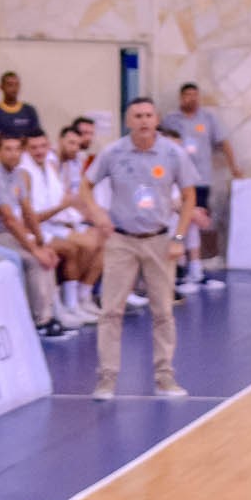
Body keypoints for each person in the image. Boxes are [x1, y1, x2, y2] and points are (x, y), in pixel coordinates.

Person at [81, 98, 203, 397]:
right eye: (137, 116)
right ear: (128, 120)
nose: (144, 121)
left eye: (149, 115)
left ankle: (165, 377)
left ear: (156, 118)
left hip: (160, 240)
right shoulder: (113, 153)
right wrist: (97, 214)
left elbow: (189, 197)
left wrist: (179, 237)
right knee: (111, 311)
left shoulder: (173, 154)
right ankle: (106, 378)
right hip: (121, 240)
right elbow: (85, 185)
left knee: (162, 311)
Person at [0, 131, 68, 336]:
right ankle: (39, 320)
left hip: (5, 233)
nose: (13, 154)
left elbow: (26, 209)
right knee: (33, 259)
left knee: (44, 253)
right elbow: (9, 219)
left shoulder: (16, 173)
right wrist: (34, 249)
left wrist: (40, 240)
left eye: (17, 149)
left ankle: (51, 312)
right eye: (8, 149)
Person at [163, 82, 241, 284]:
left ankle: (198, 264)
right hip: (176, 180)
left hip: (200, 178)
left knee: (199, 220)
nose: (192, 99)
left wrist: (234, 167)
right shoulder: (171, 120)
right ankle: (180, 266)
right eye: (188, 95)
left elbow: (223, 142)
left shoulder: (207, 119)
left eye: (195, 95)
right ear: (181, 98)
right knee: (183, 219)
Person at [20, 130, 101, 323]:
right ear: (26, 149)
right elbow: (31, 218)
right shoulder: (24, 174)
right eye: (34, 148)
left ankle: (83, 298)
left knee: (101, 241)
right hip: (36, 229)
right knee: (75, 248)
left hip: (54, 224)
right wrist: (62, 208)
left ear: (49, 146)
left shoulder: (49, 166)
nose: (39, 151)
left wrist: (87, 214)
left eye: (43, 146)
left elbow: (65, 199)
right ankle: (67, 304)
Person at [0, 70, 42, 155]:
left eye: (16, 85)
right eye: (10, 85)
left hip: (27, 157)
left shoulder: (30, 111)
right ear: (1, 87)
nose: (14, 89)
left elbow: (36, 138)